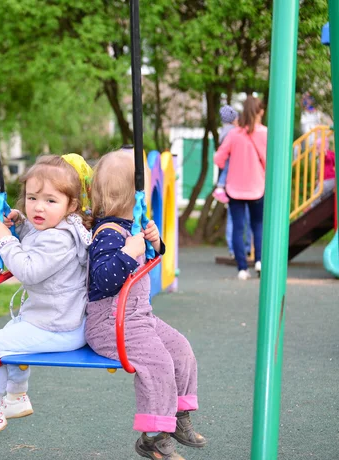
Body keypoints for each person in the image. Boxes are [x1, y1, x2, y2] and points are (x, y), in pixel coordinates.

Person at [0, 154, 93, 438]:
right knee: (12, 333)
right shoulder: (60, 228)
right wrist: (21, 224)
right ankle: (16, 398)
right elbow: (36, 238)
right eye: (32, 198)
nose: (39, 207)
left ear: (71, 205)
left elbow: (29, 269)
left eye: (51, 201)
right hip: (58, 320)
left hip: (59, 326)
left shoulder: (58, 238)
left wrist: (5, 240)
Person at [86, 148, 205, 460]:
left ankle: (178, 417)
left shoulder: (130, 228)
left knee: (180, 348)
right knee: (157, 363)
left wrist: (154, 242)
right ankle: (153, 435)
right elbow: (102, 280)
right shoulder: (107, 234)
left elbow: (152, 261)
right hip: (110, 323)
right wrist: (128, 251)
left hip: (140, 318)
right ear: (130, 196)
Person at [214, 96, 267, 280]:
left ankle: (242, 269)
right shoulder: (265, 133)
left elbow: (218, 158)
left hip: (235, 188)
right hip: (257, 187)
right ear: (260, 111)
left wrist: (230, 163)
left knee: (238, 227)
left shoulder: (234, 134)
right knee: (258, 225)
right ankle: (259, 261)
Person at [212, 105, 253, 259]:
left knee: (233, 217)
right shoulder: (234, 133)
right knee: (248, 217)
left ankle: (232, 248)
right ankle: (248, 247)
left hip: (231, 182)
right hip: (241, 179)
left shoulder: (224, 132)